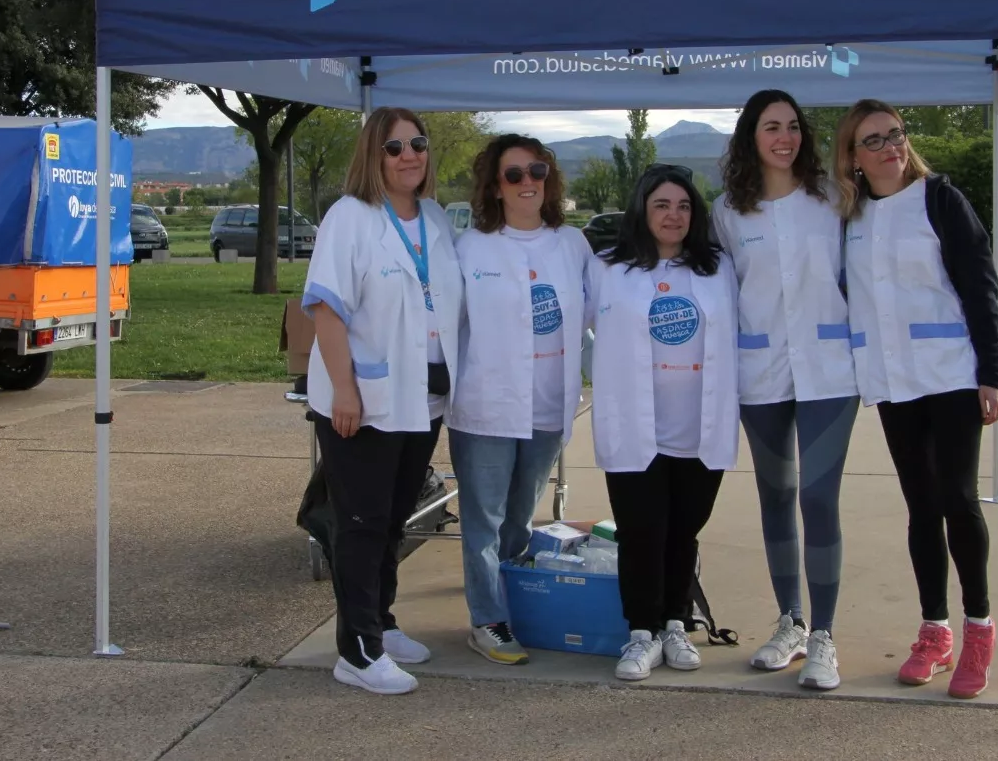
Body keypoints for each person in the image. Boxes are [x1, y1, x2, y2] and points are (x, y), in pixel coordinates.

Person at [834, 99, 998, 700]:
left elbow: (979, 285)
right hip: (893, 381)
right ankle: (934, 630)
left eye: (896, 135)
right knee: (920, 507)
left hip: (952, 374)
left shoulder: (940, 200)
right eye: (875, 141)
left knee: (958, 499)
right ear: (854, 157)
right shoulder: (850, 216)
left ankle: (979, 628)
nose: (890, 147)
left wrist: (993, 369)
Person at [301, 106, 465, 696]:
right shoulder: (351, 217)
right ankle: (358, 650)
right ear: (373, 155)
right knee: (362, 523)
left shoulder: (436, 219)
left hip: (422, 399)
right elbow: (325, 308)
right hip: (364, 399)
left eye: (417, 144)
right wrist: (344, 388)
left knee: (395, 519)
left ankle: (382, 623)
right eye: (394, 147)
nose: (409, 155)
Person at [711, 90, 858, 691]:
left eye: (793, 126)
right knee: (776, 495)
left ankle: (824, 634)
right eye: (772, 127)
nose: (785, 137)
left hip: (829, 371)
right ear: (751, 137)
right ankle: (790, 623)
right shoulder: (727, 212)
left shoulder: (833, 199)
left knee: (818, 499)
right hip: (761, 372)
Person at [587, 163, 739, 682]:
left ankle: (676, 621)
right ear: (642, 211)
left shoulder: (717, 268)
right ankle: (641, 632)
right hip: (635, 425)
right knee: (641, 531)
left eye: (683, 206)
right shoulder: (609, 268)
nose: (673, 215)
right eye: (661, 205)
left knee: (684, 531)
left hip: (699, 424)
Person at [451, 134, 593, 665]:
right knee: (483, 520)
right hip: (485, 405)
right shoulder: (470, 248)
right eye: (514, 174)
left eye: (536, 170)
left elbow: (603, 310)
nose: (527, 181)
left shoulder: (571, 243)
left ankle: (510, 604)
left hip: (547, 405)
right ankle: (487, 620)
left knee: (519, 518)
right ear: (494, 185)